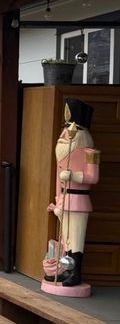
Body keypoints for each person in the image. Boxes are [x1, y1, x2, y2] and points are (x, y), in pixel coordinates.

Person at [44, 99, 100, 288]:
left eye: (69, 131)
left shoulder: (90, 152)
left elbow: (93, 177)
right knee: (66, 238)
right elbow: (58, 182)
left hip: (79, 200)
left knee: (75, 238)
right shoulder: (62, 154)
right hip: (65, 200)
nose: (64, 135)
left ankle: (76, 273)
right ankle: (66, 270)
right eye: (64, 130)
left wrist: (74, 175)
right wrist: (58, 203)